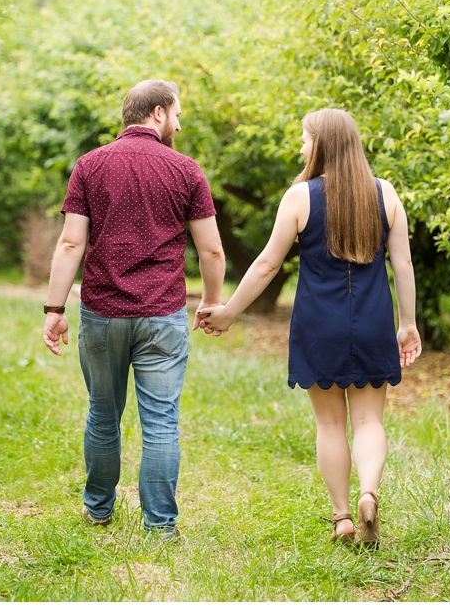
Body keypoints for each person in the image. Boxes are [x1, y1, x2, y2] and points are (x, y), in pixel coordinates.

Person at [198, 108, 421, 548]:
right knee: (369, 421)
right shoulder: (386, 194)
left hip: (319, 322)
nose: (301, 148)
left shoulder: (299, 197)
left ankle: (342, 519)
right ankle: (369, 494)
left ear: (322, 144)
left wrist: (228, 311)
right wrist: (408, 323)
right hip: (374, 320)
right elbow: (404, 264)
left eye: (305, 139)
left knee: (330, 425)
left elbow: (266, 265)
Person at [41, 79, 226, 541]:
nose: (179, 123)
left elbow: (69, 242)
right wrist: (211, 301)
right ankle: (161, 526)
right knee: (162, 421)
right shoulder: (187, 171)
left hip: (102, 312)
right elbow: (213, 252)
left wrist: (54, 307)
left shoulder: (89, 165)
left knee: (103, 414)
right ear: (158, 113)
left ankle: (98, 511)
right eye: (177, 114)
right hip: (162, 314)